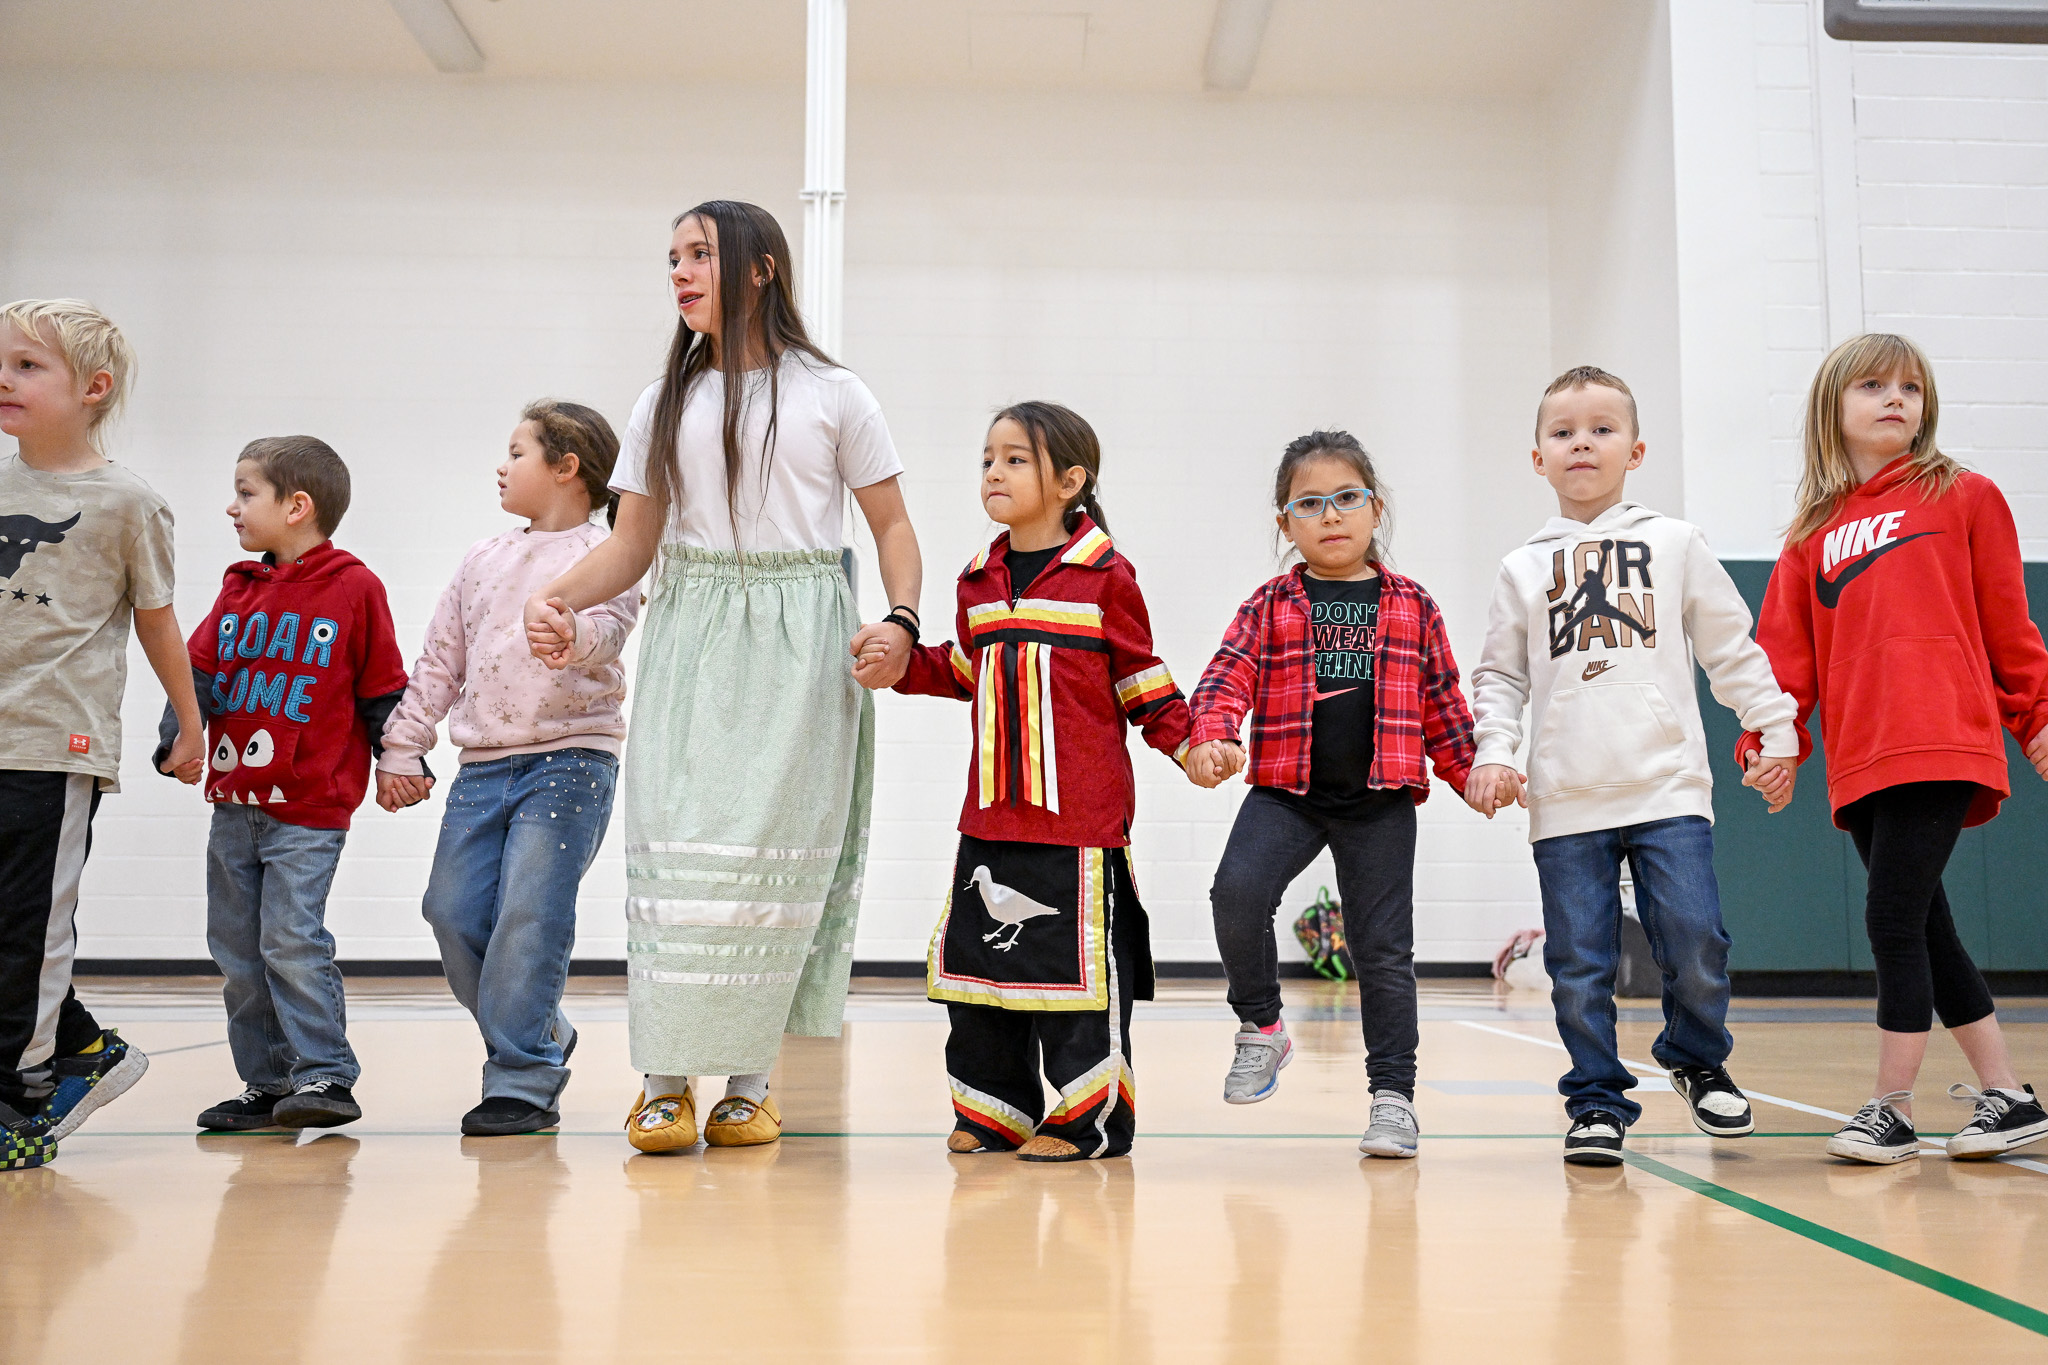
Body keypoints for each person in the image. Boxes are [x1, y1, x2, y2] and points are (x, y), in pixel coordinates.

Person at [524, 200, 923, 1152]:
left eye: (699, 253)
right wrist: (560, 597)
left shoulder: (835, 393)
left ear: (760, 268)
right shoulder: (665, 402)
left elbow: (894, 527)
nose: (681, 271)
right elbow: (632, 544)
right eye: (671, 257)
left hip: (802, 639)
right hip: (695, 630)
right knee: (678, 859)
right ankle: (663, 1082)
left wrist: (902, 621)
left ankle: (751, 1083)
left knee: (770, 863)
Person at [1465, 365, 1800, 1167]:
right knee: (1577, 962)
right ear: (1538, 457)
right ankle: (1595, 1099)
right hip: (1567, 796)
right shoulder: (1521, 567)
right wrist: (1495, 752)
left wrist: (1774, 729)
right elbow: (1501, 677)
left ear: (1636, 448)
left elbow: (1731, 648)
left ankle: (1696, 1057)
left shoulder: (1677, 543)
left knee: (1694, 936)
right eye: (1563, 431)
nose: (1583, 441)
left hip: (1667, 784)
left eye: (1602, 428)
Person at [1747, 334, 2048, 1164]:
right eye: (1874, 385)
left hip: (1945, 736)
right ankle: (2011, 1096)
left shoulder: (1966, 496)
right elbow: (1785, 657)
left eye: (1911, 386)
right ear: (1832, 409)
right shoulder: (1812, 532)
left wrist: (2036, 716)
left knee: (1889, 917)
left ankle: (1891, 1105)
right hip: (1862, 753)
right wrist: (1773, 740)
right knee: (1928, 923)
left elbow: (2008, 622)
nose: (1896, 398)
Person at [889, 402, 1189, 1161]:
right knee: (978, 972)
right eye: (988, 457)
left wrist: (1192, 746)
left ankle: (1086, 1117)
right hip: (989, 818)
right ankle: (994, 1110)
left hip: (1079, 826)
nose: (993, 470)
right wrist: (899, 664)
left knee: (1077, 980)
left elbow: (1141, 680)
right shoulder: (977, 579)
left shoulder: (1106, 577)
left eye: (1015, 458)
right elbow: (965, 667)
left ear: (1070, 480)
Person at [1185, 431, 1474, 1160]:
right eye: (1309, 504)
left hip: (1379, 799)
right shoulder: (1271, 604)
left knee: (1382, 951)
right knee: (1236, 893)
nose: (1331, 514)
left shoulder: (1412, 604)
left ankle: (1393, 1098)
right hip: (1288, 792)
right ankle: (1263, 1027)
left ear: (1375, 508)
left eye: (1347, 498)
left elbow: (1443, 700)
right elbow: (1227, 675)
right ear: (1286, 524)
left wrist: (1474, 771)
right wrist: (1212, 732)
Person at [377, 401, 639, 1136]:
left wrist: (572, 633)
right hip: (482, 768)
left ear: (567, 468)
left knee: (530, 912)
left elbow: (610, 630)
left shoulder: (610, 549)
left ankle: (521, 1076)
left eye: (517, 451)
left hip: (571, 761)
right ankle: (542, 1026)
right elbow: (440, 661)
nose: (502, 464)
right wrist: (403, 744)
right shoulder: (482, 560)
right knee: (451, 910)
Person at [0, 299, 204, 1171]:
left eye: (27, 366)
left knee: (26, 928)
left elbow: (158, 622)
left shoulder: (128, 503)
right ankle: (84, 1043)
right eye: (3, 362)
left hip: (55, 745)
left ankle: (21, 1102)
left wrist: (189, 723)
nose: (5, 378)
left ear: (93, 388)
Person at [170, 436, 411, 1133]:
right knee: (237, 949)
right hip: (233, 804)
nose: (232, 507)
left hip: (309, 808)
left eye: (247, 493)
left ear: (296, 505)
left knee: (290, 938)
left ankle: (325, 1072)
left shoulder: (354, 587)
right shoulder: (238, 586)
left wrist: (402, 760)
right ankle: (269, 1082)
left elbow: (382, 687)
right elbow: (200, 674)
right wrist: (178, 737)